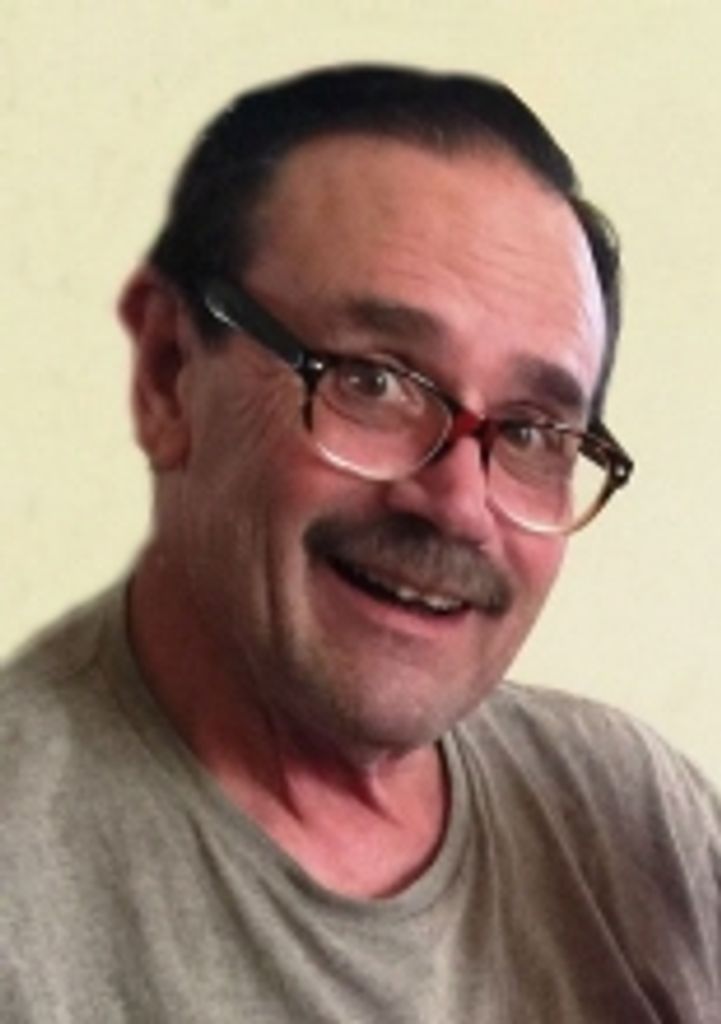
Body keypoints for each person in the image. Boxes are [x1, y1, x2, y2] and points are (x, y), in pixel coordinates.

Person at [1, 65, 719, 1023]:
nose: (458, 505)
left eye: (532, 431)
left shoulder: (638, 810)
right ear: (170, 374)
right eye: (373, 381)